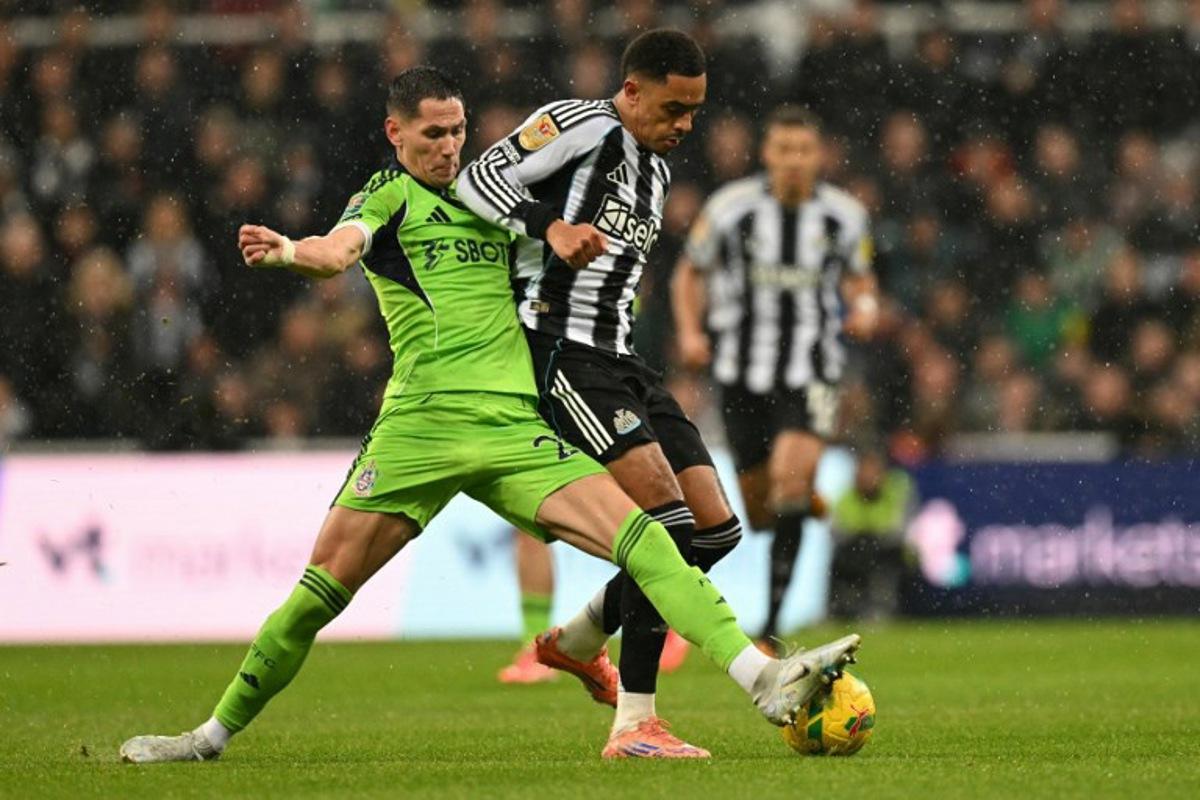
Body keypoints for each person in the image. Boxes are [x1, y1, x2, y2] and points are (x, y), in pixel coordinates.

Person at [118, 66, 860, 765]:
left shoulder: (499, 206)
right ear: (394, 135)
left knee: (653, 537)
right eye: (431, 134)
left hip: (516, 430)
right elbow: (335, 252)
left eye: (457, 132)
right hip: (420, 430)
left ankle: (760, 681)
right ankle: (210, 735)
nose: (447, 148)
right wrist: (287, 252)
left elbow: (553, 250)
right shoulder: (387, 198)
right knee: (316, 597)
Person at [458, 30, 754, 758]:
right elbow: (476, 180)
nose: (685, 123)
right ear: (631, 91)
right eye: (673, 107)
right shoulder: (583, 123)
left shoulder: (654, 170)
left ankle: (579, 638)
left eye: (695, 111)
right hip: (563, 349)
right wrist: (548, 226)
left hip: (625, 359)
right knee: (667, 521)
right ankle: (635, 723)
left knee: (715, 531)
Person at [672, 105, 880, 646]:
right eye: (783, 150)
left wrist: (866, 308)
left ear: (819, 156)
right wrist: (692, 333)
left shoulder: (844, 216)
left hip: (811, 369)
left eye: (803, 151)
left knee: (788, 481)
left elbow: (860, 281)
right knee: (762, 515)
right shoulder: (730, 208)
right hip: (741, 373)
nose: (793, 161)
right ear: (766, 154)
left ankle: (769, 629)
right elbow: (688, 273)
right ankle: (800, 495)